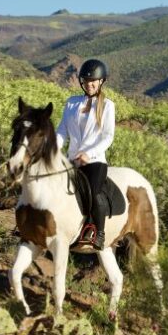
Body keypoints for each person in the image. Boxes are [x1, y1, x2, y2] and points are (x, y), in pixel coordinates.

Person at [56, 58, 116, 249]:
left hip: (95, 161)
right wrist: (53, 150)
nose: (89, 85)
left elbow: (108, 137)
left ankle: (99, 232)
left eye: (93, 82)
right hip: (71, 159)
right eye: (86, 82)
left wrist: (88, 154)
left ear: (101, 82)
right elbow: (62, 131)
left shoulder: (107, 106)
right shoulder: (72, 103)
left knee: (93, 191)